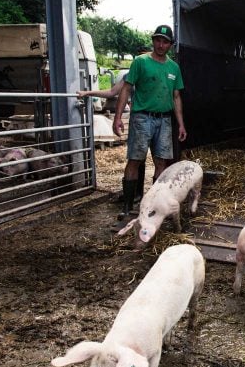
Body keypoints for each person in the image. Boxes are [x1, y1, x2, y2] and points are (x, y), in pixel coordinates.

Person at [111, 25, 187, 221]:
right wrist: (118, 117)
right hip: (141, 118)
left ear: (170, 45)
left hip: (164, 119)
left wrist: (181, 124)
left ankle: (153, 205)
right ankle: (128, 207)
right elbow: (126, 89)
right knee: (135, 160)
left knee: (161, 161)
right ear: (153, 40)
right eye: (158, 40)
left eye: (165, 41)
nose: (161, 45)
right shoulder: (140, 62)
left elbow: (176, 96)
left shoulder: (173, 68)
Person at [77, 48, 149, 201]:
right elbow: (112, 92)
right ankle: (132, 195)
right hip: (138, 119)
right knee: (136, 158)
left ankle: (142, 194)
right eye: (140, 57)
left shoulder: (158, 70)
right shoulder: (130, 75)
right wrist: (88, 93)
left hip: (156, 118)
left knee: (154, 158)